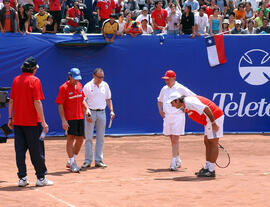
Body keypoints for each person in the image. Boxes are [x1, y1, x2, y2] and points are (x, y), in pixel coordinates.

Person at [8, 57, 53, 187]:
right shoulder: (35, 80)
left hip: (18, 122)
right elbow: (37, 102)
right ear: (33, 69)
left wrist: (10, 118)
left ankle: (22, 178)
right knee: (37, 151)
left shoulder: (16, 80)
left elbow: (11, 101)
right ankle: (41, 178)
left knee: (20, 151)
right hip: (33, 123)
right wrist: (43, 122)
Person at [167, 92, 224, 177]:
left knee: (213, 143)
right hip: (208, 121)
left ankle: (211, 170)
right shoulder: (185, 104)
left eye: (172, 103)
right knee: (207, 142)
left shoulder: (190, 102)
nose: (172, 105)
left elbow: (206, 108)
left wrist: (213, 123)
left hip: (214, 117)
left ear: (177, 100)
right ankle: (207, 167)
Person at [157, 70, 195, 171]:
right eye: (165, 79)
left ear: (173, 78)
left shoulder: (180, 88)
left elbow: (193, 97)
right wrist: (161, 111)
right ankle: (178, 159)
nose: (166, 81)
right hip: (167, 117)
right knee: (172, 139)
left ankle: (173, 162)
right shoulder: (164, 89)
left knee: (175, 139)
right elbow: (159, 101)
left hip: (178, 116)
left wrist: (185, 108)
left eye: (168, 79)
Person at [56, 68, 91, 173]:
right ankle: (72, 163)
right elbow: (60, 105)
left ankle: (71, 160)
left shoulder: (79, 85)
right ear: (70, 76)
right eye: (75, 78)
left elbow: (82, 100)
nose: (77, 80)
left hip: (80, 117)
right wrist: (63, 120)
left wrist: (87, 109)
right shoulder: (63, 88)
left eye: (78, 78)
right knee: (70, 139)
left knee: (80, 140)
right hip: (69, 119)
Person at [81, 68, 115, 169]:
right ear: (94, 76)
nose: (101, 79)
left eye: (102, 77)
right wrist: (87, 112)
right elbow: (83, 100)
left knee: (100, 137)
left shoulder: (105, 85)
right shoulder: (87, 86)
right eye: (99, 77)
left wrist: (111, 110)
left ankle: (98, 160)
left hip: (102, 113)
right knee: (88, 138)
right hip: (91, 112)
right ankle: (87, 160)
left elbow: (108, 99)